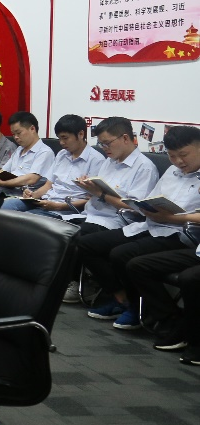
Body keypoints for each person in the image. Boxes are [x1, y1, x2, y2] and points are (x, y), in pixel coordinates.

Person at [79, 125, 200, 331]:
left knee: (121, 255)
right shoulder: (172, 171)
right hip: (151, 224)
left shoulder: (145, 166)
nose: (178, 161)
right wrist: (145, 207)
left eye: (184, 155)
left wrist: (171, 217)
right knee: (86, 244)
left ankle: (138, 308)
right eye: (172, 156)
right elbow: (152, 198)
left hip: (180, 233)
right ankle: (122, 297)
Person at [64, 117, 160, 303]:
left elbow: (135, 208)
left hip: (117, 221)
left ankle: (106, 292)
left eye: (107, 143)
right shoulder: (109, 161)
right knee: (58, 229)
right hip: (91, 214)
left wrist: (100, 194)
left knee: (77, 238)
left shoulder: (144, 167)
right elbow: (99, 190)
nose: (104, 148)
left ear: (125, 138)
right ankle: (71, 281)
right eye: (101, 144)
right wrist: (88, 185)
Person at [2, 114, 104, 218]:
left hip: (65, 209)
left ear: (81, 134)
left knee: (22, 219)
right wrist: (32, 195)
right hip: (45, 201)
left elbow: (92, 199)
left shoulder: (96, 160)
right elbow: (48, 185)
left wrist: (59, 206)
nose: (61, 143)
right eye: (59, 138)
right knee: (4, 207)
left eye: (65, 138)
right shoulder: (61, 154)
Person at [0, 111, 55, 195]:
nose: (16, 137)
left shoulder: (44, 152)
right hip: (6, 191)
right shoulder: (19, 149)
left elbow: (31, 179)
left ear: (32, 129)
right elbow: (4, 170)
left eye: (18, 133)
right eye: (13, 134)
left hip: (25, 195)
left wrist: (3, 183)